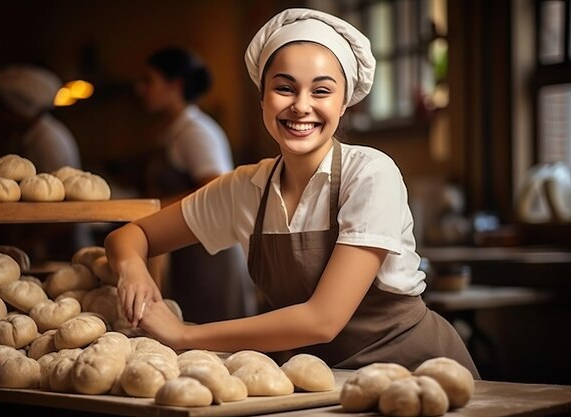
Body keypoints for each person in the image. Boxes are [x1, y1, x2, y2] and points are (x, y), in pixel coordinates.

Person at [105, 8, 480, 377]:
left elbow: (323, 320)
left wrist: (185, 335)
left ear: (344, 102)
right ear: (262, 98)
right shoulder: (244, 189)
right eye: (284, 88)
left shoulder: (370, 173)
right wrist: (133, 272)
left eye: (321, 91)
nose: (301, 106)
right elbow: (129, 236)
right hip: (327, 383)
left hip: (421, 374)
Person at [133, 46, 256, 322]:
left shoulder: (196, 132)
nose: (141, 89)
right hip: (189, 251)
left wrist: (153, 210)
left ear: (175, 85)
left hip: (211, 256)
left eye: (149, 80)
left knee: (213, 349)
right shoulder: (174, 131)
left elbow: (216, 190)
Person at [0, 64, 93, 260]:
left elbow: (62, 209)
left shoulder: (48, 142)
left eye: (3, 109)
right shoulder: (22, 136)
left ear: (18, 109)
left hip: (61, 250)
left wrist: (26, 242)